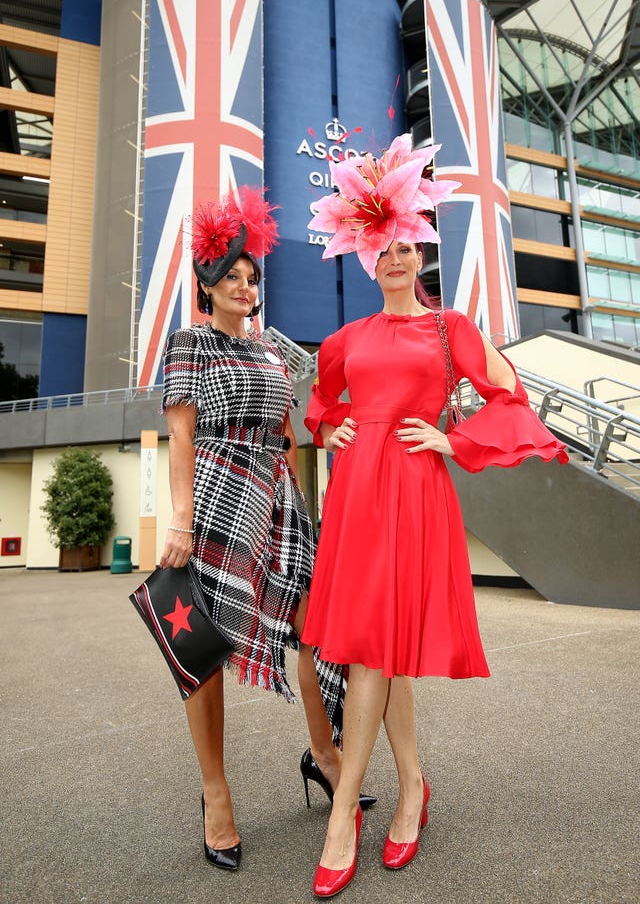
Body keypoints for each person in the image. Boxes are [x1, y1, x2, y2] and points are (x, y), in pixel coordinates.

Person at [300, 134, 568, 897]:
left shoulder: (451, 330)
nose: (393, 257)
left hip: (414, 492)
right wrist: (332, 428)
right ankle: (412, 786)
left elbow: (511, 395)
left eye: (404, 243)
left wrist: (450, 438)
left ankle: (343, 808)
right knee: (373, 649)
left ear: (420, 248)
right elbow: (320, 406)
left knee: (374, 655)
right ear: (364, 254)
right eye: (379, 246)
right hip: (357, 495)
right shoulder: (345, 341)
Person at [158, 188, 370, 873]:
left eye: (253, 277)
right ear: (207, 287)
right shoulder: (189, 345)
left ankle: (325, 755)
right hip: (221, 497)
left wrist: (314, 499)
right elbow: (182, 435)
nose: (246, 287)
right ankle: (215, 795)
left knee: (314, 626)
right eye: (232, 277)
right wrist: (182, 523)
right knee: (203, 647)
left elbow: (288, 434)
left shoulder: (277, 353)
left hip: (278, 499)